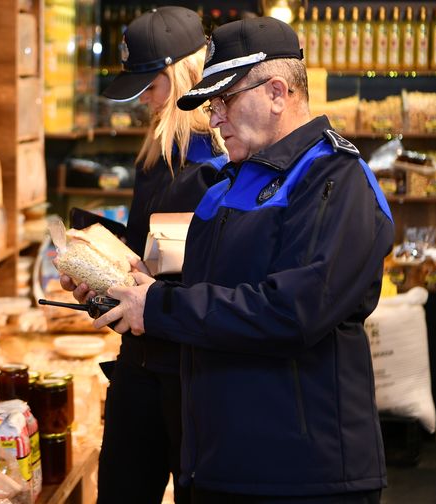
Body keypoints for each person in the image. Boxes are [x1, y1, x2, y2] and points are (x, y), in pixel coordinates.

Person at [93, 17, 394, 503]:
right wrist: (132, 287)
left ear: (276, 92)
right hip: (220, 469)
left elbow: (291, 312)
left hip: (303, 480)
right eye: (211, 106)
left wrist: (160, 306)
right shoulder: (224, 186)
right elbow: (206, 298)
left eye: (224, 101)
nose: (214, 120)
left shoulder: (336, 180)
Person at [60, 7, 227, 504]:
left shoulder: (223, 159)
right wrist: (96, 274)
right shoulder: (156, 154)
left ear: (183, 76)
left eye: (151, 87)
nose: (145, 101)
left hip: (192, 369)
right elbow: (144, 253)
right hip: (139, 361)